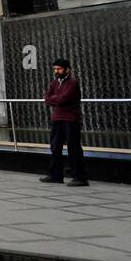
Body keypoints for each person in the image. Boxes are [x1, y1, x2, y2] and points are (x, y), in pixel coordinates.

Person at [42, 58, 88, 186]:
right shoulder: (54, 83)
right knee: (55, 147)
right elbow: (47, 98)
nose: (56, 71)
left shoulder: (73, 83)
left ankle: (80, 177)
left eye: (59, 69)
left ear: (67, 69)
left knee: (73, 148)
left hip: (70, 119)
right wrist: (54, 99)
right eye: (55, 69)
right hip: (57, 118)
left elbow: (63, 99)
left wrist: (54, 99)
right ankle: (56, 175)